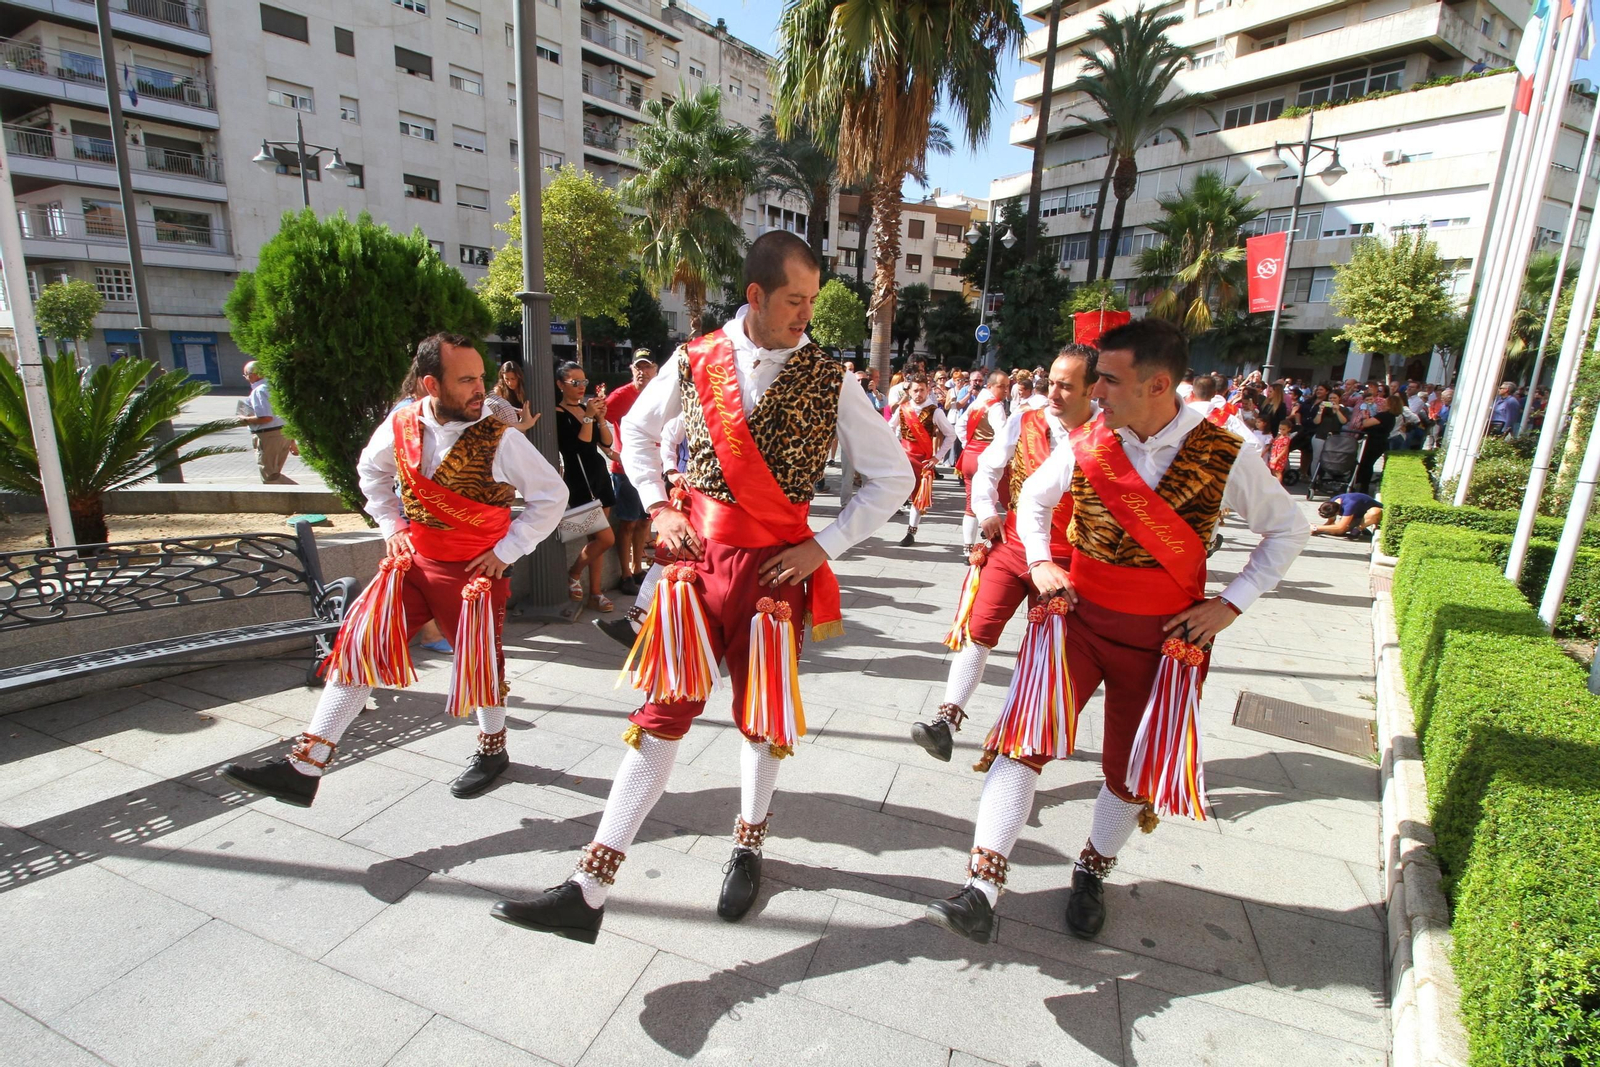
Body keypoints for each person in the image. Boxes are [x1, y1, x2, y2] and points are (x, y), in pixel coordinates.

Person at [490, 230, 912, 943]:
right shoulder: (696, 360)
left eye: (811, 300)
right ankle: (590, 886)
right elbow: (635, 435)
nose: (806, 314)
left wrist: (825, 544)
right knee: (662, 715)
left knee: (761, 717)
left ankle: (748, 843)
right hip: (701, 570)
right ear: (755, 295)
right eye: (794, 300)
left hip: (776, 576)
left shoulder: (833, 379)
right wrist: (657, 505)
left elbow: (894, 477)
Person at [923, 317, 1307, 945]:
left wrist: (1231, 605)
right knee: (1024, 741)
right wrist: (1042, 560)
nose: (1096, 392)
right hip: (1077, 621)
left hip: (1165, 642)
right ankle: (980, 886)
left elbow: (1288, 530)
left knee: (1130, 772)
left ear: (1159, 386)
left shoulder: (1222, 450)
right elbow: (1034, 501)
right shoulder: (1093, 438)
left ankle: (1090, 871)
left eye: (1109, 380)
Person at [216, 334, 569, 805]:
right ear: (430, 384)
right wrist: (391, 524)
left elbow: (552, 497)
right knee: (360, 646)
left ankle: (492, 750)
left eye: (480, 378)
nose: (479, 389)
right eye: (466, 380)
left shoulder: (501, 438)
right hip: (410, 562)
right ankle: (304, 767)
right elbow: (371, 473)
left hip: (472, 575)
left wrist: (508, 550)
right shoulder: (402, 424)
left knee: (480, 668)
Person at [913, 346, 1098, 762]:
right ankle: (946, 721)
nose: (1054, 392)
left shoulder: (1106, 435)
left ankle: (1019, 734)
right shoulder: (1024, 420)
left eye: (1066, 386)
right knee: (979, 627)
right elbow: (989, 468)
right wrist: (985, 509)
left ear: (1093, 388)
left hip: (1064, 560)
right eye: (1051, 382)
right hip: (1012, 544)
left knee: (1043, 648)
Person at [556, 362, 618, 612]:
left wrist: (600, 418)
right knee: (606, 538)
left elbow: (606, 442)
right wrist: (590, 417)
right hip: (580, 480)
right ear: (561, 384)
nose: (582, 387)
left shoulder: (585, 408)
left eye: (584, 382)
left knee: (597, 540)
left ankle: (595, 593)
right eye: (575, 382)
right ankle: (574, 573)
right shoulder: (558, 413)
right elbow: (576, 447)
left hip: (599, 476)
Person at [604, 351, 660, 597]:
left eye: (647, 367)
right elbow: (597, 420)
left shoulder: (659, 393)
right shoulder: (621, 395)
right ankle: (625, 573)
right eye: (638, 367)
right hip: (626, 470)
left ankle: (638, 569)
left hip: (653, 468)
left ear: (655, 369)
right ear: (631, 369)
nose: (642, 372)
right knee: (627, 523)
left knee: (644, 522)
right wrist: (610, 451)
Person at [888, 374, 956, 546]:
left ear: (928, 390)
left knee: (918, 497)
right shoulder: (903, 408)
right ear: (909, 391)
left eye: (922, 390)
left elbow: (951, 435)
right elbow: (889, 428)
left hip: (923, 461)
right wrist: (894, 448)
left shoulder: (936, 411)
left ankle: (911, 532)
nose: (919, 394)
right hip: (903, 458)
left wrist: (937, 457)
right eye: (915, 390)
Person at [956, 371, 1011, 550]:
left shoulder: (977, 403)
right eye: (1001, 386)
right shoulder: (995, 407)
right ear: (990, 386)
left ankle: (967, 546)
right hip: (985, 458)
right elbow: (1003, 435)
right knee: (995, 498)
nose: (1005, 390)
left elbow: (960, 425)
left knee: (971, 502)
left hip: (969, 457)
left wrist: (967, 444)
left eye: (1007, 386)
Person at [240, 361, 298, 485]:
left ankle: (303, 496)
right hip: (282, 434)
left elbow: (266, 417)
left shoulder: (259, 390)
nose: (246, 378)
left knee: (270, 477)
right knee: (274, 474)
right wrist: (292, 440)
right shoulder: (274, 386)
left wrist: (244, 419)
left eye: (246, 375)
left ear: (253, 375)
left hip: (269, 436)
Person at [1353, 394, 1401, 494]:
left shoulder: (1384, 415)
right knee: (1367, 464)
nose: (1382, 404)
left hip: (1373, 443)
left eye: (1385, 403)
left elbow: (1366, 423)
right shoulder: (1391, 417)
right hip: (1379, 443)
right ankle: (1361, 486)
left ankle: (1362, 486)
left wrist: (1365, 416)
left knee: (1366, 465)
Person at [1312, 493, 1382, 540]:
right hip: (1357, 515)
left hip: (1372, 515)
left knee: (1375, 512)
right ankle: (1358, 525)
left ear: (1337, 512)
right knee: (1336, 532)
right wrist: (1318, 530)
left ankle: (1359, 528)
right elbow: (1331, 522)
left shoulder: (1349, 505)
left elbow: (1340, 527)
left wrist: (1316, 528)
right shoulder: (1332, 503)